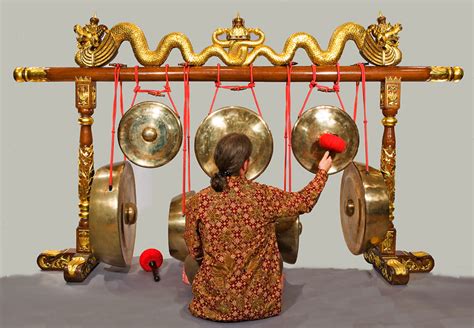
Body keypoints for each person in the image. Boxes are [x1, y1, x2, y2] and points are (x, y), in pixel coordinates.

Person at [184, 133, 331, 322]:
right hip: (261, 305)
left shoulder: (199, 201)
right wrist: (322, 172)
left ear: (218, 162)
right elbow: (304, 201)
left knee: (191, 259)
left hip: (213, 307)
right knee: (273, 255)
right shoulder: (262, 195)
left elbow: (194, 249)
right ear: (245, 164)